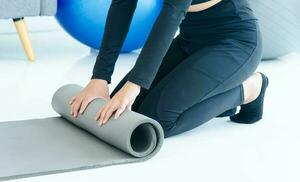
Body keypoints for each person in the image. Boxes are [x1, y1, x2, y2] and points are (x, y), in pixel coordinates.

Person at [69, 0, 269, 138]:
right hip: (189, 40)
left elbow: (173, 13)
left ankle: (250, 89)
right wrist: (100, 78)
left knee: (157, 121)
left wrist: (135, 84)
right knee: (126, 111)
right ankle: (219, 92)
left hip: (235, 41)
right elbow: (122, 4)